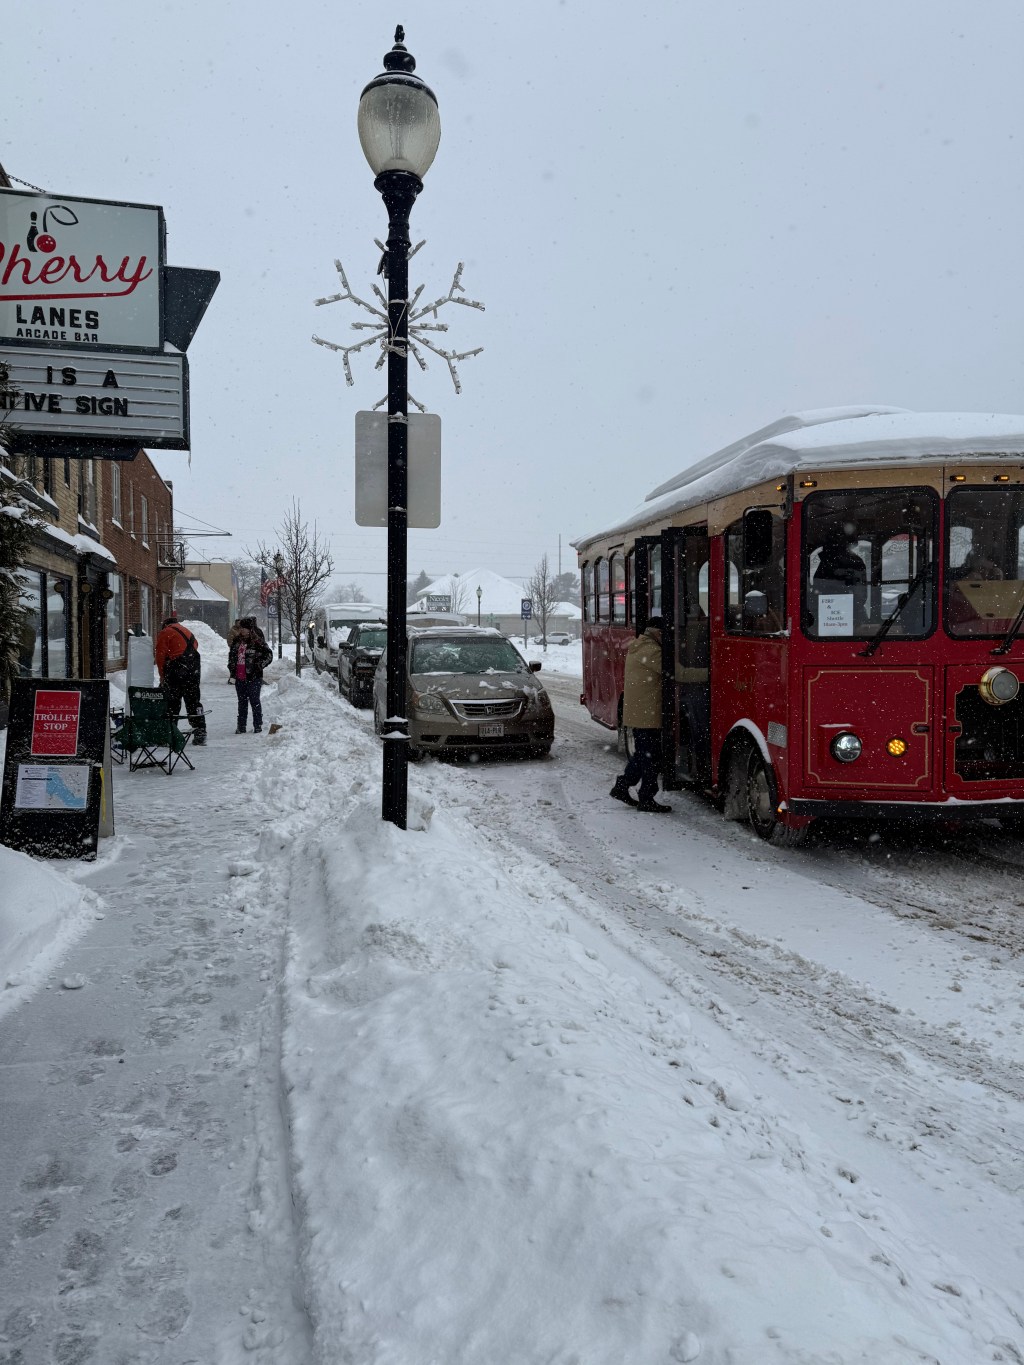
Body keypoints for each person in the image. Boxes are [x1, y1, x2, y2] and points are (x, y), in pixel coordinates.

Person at [610, 615, 670, 814]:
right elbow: (674, 672)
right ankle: (646, 798)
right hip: (647, 714)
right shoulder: (651, 650)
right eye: (663, 633)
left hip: (641, 713)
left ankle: (622, 786)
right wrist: (709, 673)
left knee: (644, 756)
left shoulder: (640, 645)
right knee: (651, 758)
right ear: (656, 632)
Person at [155, 612, 207, 745]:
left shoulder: (165, 632)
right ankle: (200, 730)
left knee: (172, 702)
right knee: (193, 700)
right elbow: (195, 646)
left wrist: (162, 676)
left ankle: (169, 733)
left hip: (177, 671)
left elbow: (160, 656)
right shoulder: (186, 631)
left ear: (165, 624)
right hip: (193, 669)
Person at [228, 616, 274, 734]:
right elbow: (232, 656)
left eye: (244, 628)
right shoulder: (237, 641)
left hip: (254, 676)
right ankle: (241, 726)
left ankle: (257, 725)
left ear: (250, 629)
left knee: (254, 701)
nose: (242, 630)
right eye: (241, 628)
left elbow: (268, 655)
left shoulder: (257, 642)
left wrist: (259, 665)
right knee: (242, 702)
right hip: (239, 676)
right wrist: (231, 667)